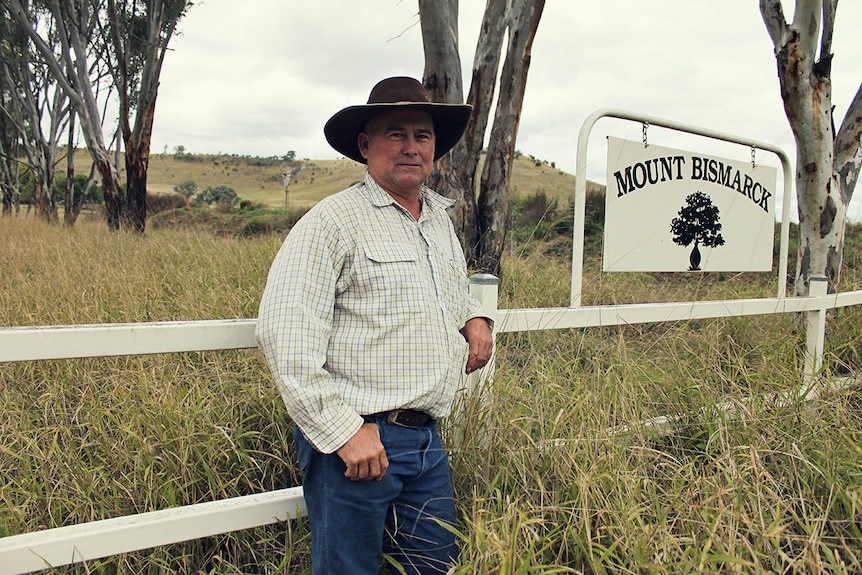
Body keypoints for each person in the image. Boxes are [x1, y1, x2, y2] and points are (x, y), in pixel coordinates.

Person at [256, 76, 494, 575]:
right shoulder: (333, 222)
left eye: (422, 135)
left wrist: (475, 316)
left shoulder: (437, 222)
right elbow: (285, 335)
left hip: (427, 441)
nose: (411, 147)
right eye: (395, 134)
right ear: (365, 146)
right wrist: (344, 432)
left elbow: (449, 289)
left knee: (435, 567)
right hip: (358, 442)